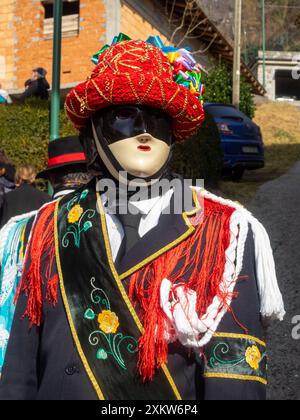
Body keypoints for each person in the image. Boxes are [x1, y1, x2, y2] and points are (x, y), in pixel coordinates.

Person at [0, 35, 284, 400]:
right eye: (124, 115)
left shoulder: (225, 232)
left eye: (157, 116)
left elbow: (233, 386)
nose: (145, 129)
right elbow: (19, 373)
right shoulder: (47, 226)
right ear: (90, 141)